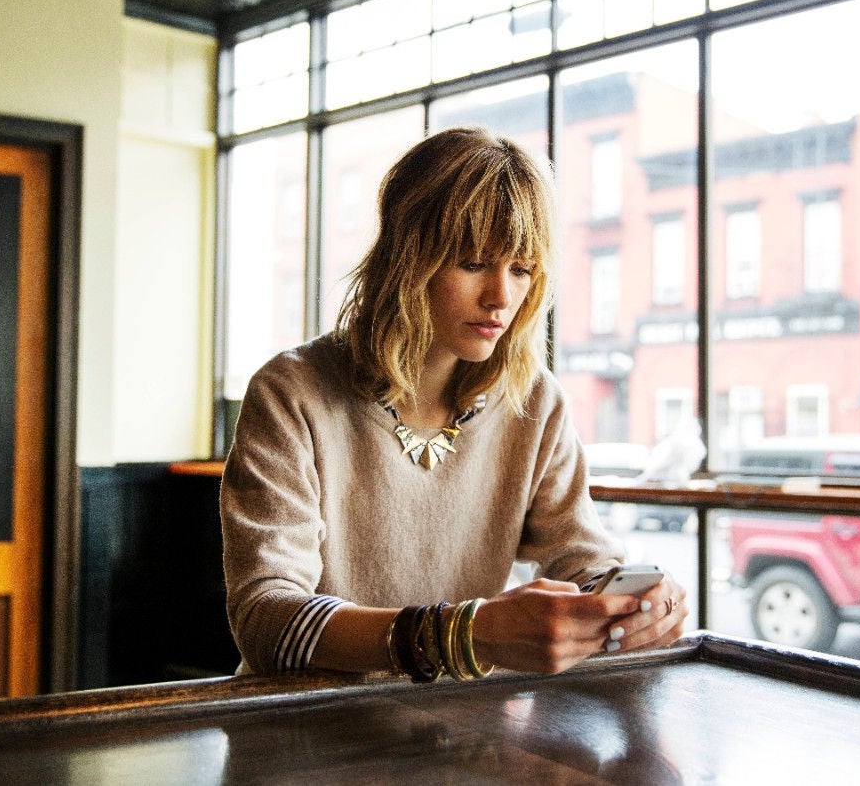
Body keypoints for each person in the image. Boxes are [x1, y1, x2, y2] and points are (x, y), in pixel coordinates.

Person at [220, 126, 687, 681]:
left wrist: (630, 605)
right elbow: (267, 618)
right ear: (406, 257)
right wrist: (464, 633)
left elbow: (584, 559)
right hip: (305, 736)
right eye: (472, 262)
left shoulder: (534, 401)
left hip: (461, 734)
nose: (501, 297)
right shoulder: (291, 393)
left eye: (521, 269)